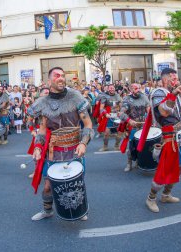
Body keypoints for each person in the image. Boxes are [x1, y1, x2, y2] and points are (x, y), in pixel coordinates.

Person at [28, 67, 93, 221]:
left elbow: (88, 125)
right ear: (49, 81)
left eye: (63, 75)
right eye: (57, 76)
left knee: (76, 183)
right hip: (53, 151)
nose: (61, 78)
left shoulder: (76, 97)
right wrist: (37, 147)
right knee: (48, 186)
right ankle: (47, 211)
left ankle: (80, 210)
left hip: (74, 149)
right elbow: (42, 130)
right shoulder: (43, 103)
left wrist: (83, 143)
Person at [138, 68, 181, 213]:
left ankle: (166, 194)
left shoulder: (172, 95)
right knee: (163, 170)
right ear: (165, 79)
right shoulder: (159, 93)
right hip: (169, 137)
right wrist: (175, 93)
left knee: (180, 167)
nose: (176, 82)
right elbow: (164, 111)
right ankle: (151, 198)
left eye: (177, 79)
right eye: (173, 79)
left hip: (180, 136)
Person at [119, 83, 149, 172]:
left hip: (143, 125)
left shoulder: (144, 97)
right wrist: (129, 120)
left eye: (139, 88)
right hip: (133, 126)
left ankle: (139, 161)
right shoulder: (127, 99)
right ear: (131, 90)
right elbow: (121, 113)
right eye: (136, 88)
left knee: (144, 145)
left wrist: (151, 120)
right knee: (132, 146)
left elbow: (149, 110)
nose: (138, 90)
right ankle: (129, 163)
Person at [97, 84, 123, 151]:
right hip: (109, 115)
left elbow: (121, 106)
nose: (112, 89)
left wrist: (121, 112)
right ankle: (105, 146)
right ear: (108, 89)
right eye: (110, 88)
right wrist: (105, 114)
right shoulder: (104, 96)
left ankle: (117, 145)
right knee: (106, 133)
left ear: (114, 89)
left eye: (113, 88)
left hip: (117, 115)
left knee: (120, 132)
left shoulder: (118, 96)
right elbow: (101, 108)